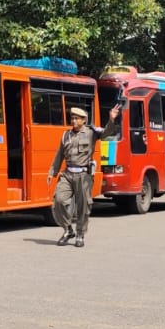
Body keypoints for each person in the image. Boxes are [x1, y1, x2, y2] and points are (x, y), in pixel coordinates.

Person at [47, 103, 123, 248]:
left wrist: (111, 119)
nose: (74, 121)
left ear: (83, 120)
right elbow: (59, 155)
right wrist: (52, 172)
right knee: (59, 201)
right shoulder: (66, 135)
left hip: (83, 175)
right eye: (72, 118)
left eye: (77, 118)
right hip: (67, 174)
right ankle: (68, 230)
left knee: (83, 207)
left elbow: (106, 133)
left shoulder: (91, 133)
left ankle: (80, 234)